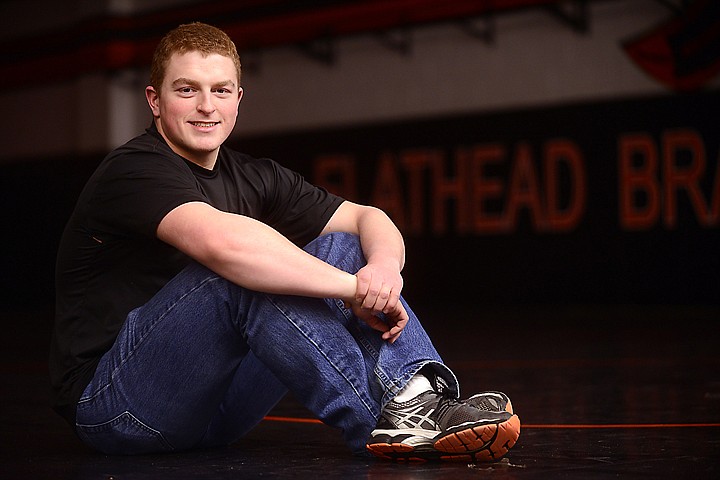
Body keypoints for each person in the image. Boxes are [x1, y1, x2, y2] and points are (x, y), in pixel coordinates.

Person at [49, 22, 520, 462]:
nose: (206, 106)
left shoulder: (255, 176)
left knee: (342, 244)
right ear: (154, 100)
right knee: (240, 274)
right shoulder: (133, 169)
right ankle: (387, 425)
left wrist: (381, 274)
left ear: (238, 98)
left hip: (214, 412)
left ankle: (419, 398)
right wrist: (352, 291)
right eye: (186, 89)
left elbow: (366, 217)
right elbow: (225, 247)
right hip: (116, 405)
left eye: (220, 90)